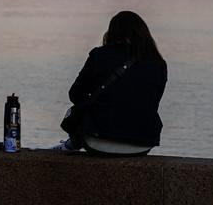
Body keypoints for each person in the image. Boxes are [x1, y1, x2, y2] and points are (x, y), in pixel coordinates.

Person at [53, 11, 168, 156]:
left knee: (84, 108)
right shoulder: (158, 64)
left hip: (96, 141)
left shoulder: (100, 55)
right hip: (142, 143)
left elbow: (75, 95)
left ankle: (72, 143)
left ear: (112, 32)